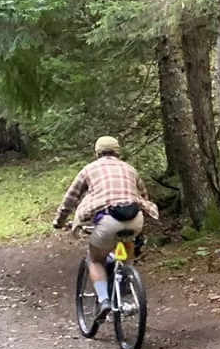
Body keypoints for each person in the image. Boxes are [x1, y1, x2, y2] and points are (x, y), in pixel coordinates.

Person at [52, 136, 161, 330]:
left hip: (108, 220)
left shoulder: (89, 169)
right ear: (118, 151)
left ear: (97, 152)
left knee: (95, 259)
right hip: (134, 218)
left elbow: (70, 198)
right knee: (126, 242)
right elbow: (144, 196)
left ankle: (104, 300)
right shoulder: (129, 169)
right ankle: (125, 281)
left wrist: (59, 221)